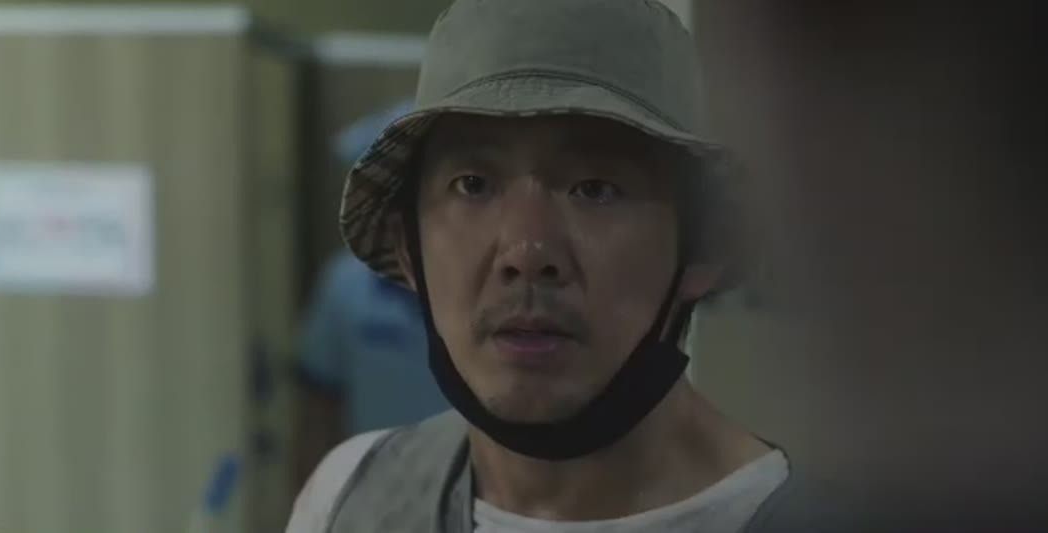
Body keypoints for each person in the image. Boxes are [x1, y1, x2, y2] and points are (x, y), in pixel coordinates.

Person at [285, 0, 859, 532]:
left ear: (703, 245)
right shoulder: (350, 499)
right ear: (407, 247)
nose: (526, 253)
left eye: (595, 188)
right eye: (473, 184)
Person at [291, 101, 450, 493]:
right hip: (372, 489)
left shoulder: (474, 282)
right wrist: (311, 499)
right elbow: (317, 407)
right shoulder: (344, 286)